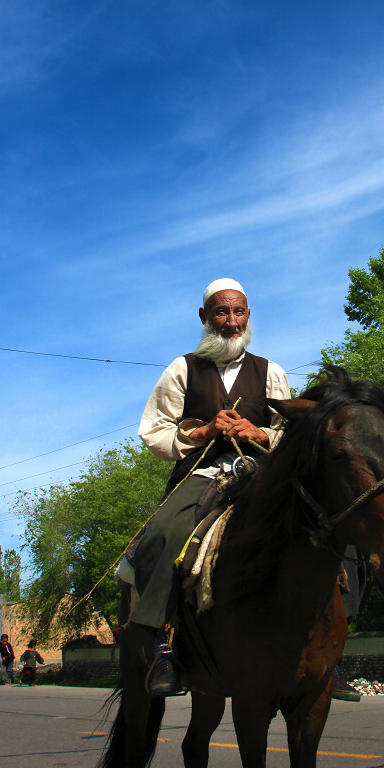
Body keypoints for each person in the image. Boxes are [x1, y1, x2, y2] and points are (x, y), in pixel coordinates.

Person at [132, 278, 290, 695]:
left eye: (239, 312)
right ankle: (161, 645)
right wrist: (201, 431)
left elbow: (288, 434)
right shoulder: (183, 368)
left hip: (258, 473)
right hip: (201, 475)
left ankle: (331, 645)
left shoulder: (270, 372)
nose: (231, 322)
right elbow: (153, 431)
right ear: (205, 317)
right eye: (222, 312)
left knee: (325, 517)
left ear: (249, 316)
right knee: (164, 533)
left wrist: (258, 433)